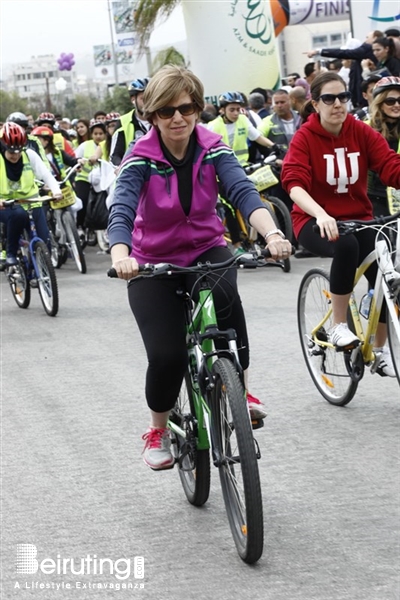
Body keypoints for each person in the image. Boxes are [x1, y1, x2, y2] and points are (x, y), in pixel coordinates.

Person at [107, 65, 292, 470]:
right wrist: (121, 256)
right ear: (152, 115)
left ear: (198, 108)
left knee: (227, 298)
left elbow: (242, 191)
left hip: (207, 249)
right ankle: (158, 430)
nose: (178, 118)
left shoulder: (214, 147)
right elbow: (121, 210)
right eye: (166, 111)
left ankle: (240, 390)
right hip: (150, 262)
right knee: (168, 354)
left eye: (187, 108)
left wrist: (272, 235)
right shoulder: (140, 158)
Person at [281, 71, 398, 377]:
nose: (338, 104)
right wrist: (320, 213)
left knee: (388, 269)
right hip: (312, 219)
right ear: (315, 103)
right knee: (345, 244)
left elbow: (388, 165)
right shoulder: (305, 137)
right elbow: (294, 183)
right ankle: (338, 325)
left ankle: (381, 350)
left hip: (358, 218)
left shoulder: (360, 131)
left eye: (343, 97)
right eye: (329, 98)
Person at [207, 91, 278, 254]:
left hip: (243, 168)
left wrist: (272, 146)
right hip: (221, 173)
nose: (236, 113)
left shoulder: (243, 121)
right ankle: (237, 245)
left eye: (238, 109)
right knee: (230, 207)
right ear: (222, 110)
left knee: (255, 198)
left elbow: (257, 137)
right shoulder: (213, 126)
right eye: (232, 109)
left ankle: (262, 239)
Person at [0, 123, 62, 265]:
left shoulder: (30, 155)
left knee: (45, 240)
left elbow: (46, 175)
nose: (15, 155)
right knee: (18, 215)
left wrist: (56, 191)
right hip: (7, 204)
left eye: (18, 151)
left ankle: (41, 271)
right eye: (11, 152)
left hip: (32, 202)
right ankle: (10, 253)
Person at [305, 30, 383, 108]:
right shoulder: (359, 60)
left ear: (375, 38)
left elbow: (344, 53)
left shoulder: (367, 49)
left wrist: (319, 51)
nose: (365, 40)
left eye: (367, 37)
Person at [367, 76, 400, 216]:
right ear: (379, 103)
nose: (397, 105)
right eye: (390, 101)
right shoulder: (365, 128)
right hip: (374, 198)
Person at [110, 77, 151, 166]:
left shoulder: (162, 118)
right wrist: (121, 168)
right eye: (143, 99)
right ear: (133, 99)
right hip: (133, 174)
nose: (148, 103)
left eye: (151, 98)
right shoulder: (123, 122)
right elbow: (115, 156)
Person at [74, 120, 106, 231]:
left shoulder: (108, 145)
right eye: (95, 134)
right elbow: (75, 159)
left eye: (101, 134)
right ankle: (79, 226)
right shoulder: (85, 145)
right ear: (91, 134)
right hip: (84, 178)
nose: (98, 136)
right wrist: (79, 162)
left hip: (103, 180)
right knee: (82, 201)